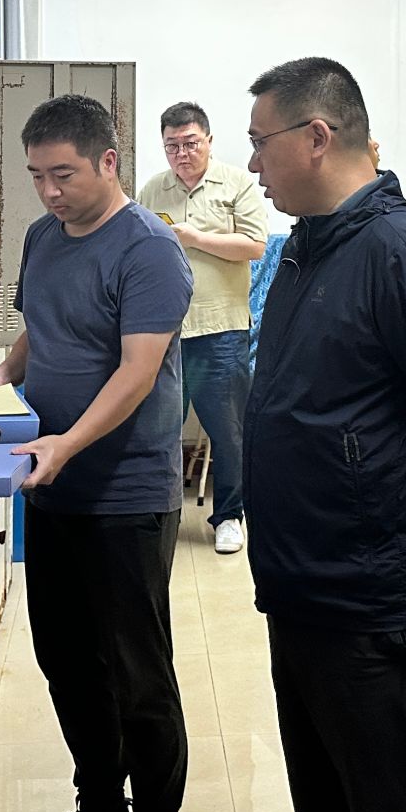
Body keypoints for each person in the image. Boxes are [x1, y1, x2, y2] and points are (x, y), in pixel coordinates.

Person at [242, 57, 406, 812]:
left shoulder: (398, 251)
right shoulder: (305, 247)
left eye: (261, 142)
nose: (252, 163)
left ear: (316, 137)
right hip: (301, 597)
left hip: (375, 612)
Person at [0, 94, 194, 812]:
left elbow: (138, 372)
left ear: (108, 160)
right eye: (37, 175)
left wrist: (67, 442)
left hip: (125, 495)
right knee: (67, 662)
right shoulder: (43, 236)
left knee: (138, 676)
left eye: (62, 174)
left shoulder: (149, 249)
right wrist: (3, 372)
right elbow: (40, 327)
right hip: (51, 484)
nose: (49, 191)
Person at [137, 101, 269, 554]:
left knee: (229, 432)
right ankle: (161, 514)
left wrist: (196, 238)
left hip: (221, 329)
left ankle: (229, 515)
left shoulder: (236, 184)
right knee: (158, 428)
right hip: (164, 332)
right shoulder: (152, 190)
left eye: (191, 143)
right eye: (172, 146)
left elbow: (254, 245)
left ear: (209, 141)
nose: (182, 153)